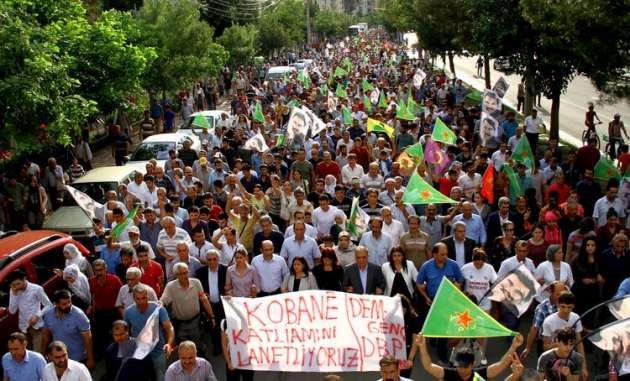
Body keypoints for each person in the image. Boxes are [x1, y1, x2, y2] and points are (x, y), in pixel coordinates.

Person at [414, 333, 524, 380]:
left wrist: (514, 346)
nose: (461, 370)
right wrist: (422, 346)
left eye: (465, 367)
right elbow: (428, 366)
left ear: (472, 365)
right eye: (459, 366)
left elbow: (501, 365)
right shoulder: (450, 374)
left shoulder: (480, 374)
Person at [41, 289, 94, 369]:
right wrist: (43, 353)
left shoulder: (79, 315)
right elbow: (46, 336)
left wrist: (90, 359)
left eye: (70, 302)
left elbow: (88, 339)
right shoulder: (48, 315)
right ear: (56, 304)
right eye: (64, 304)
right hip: (59, 358)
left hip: (78, 359)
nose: (69, 305)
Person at [7, 269, 52, 354]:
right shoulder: (13, 290)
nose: (17, 287)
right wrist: (14, 294)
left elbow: (48, 305)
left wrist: (37, 315)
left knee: (38, 354)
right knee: (28, 354)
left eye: (18, 284)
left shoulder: (37, 289)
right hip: (24, 328)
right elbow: (12, 311)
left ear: (24, 279)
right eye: (14, 285)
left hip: (37, 327)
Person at [196, 250, 227, 355]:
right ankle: (217, 346)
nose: (212, 262)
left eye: (214, 259)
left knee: (222, 325)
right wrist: (204, 294)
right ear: (206, 260)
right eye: (209, 259)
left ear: (218, 259)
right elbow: (199, 289)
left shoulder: (225, 270)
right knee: (212, 326)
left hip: (222, 303)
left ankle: (224, 346)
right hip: (208, 304)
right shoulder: (201, 272)